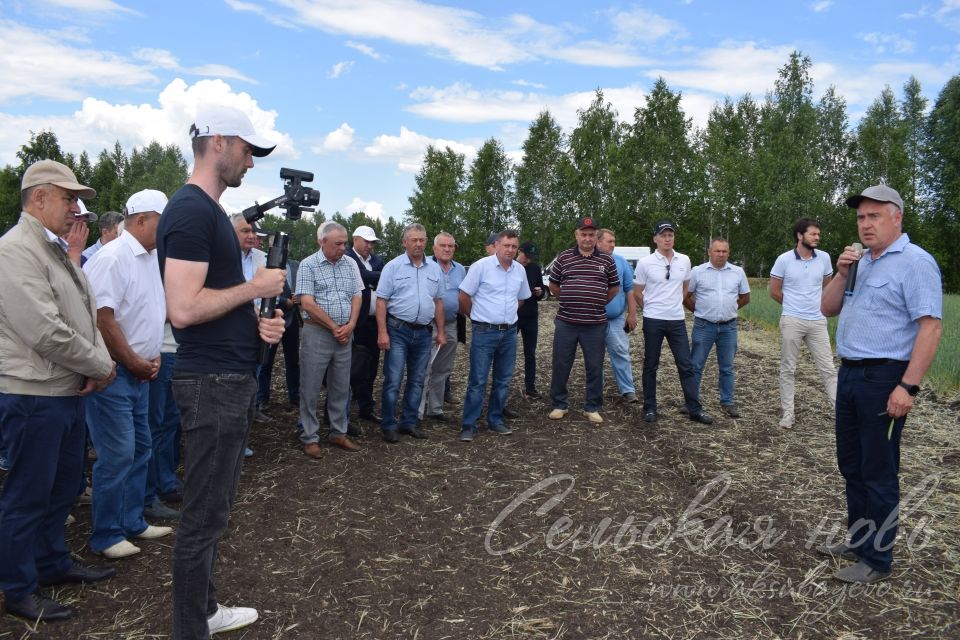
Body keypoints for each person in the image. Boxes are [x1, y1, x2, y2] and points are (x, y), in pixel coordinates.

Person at [156, 105, 286, 638]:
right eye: (248, 149)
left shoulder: (207, 213)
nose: (252, 163)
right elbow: (183, 309)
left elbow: (210, 305)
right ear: (219, 143)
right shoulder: (190, 211)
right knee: (203, 514)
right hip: (211, 383)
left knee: (214, 508)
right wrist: (254, 290)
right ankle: (192, 627)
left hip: (225, 376)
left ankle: (204, 611)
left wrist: (254, 326)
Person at [0, 160, 117, 623]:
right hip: (32, 393)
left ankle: (51, 563)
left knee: (63, 484)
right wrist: (102, 365)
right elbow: (44, 331)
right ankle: (18, 588)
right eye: (68, 198)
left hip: (62, 390)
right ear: (39, 197)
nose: (76, 207)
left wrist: (91, 364)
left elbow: (80, 316)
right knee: (28, 495)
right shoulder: (15, 251)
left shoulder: (49, 249)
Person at [818, 183, 942, 584]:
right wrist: (840, 273)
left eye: (874, 216)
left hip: (884, 376)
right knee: (851, 464)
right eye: (860, 217)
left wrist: (908, 387)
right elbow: (827, 307)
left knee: (878, 470)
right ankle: (859, 540)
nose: (865, 224)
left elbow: (930, 327)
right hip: (851, 372)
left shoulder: (915, 262)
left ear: (897, 217)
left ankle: (877, 559)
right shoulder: (862, 262)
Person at [83, 189, 174, 559]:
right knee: (117, 452)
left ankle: (131, 520)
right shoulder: (113, 257)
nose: (166, 230)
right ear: (140, 220)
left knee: (140, 447)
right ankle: (105, 534)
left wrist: (148, 360)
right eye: (161, 222)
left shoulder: (150, 256)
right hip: (114, 372)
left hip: (141, 371)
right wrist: (134, 361)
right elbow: (103, 320)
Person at [633, 220, 713, 425]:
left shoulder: (684, 260)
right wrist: (650, 308)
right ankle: (650, 408)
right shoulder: (645, 263)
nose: (667, 239)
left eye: (670, 235)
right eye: (663, 235)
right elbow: (637, 292)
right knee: (651, 364)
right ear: (655, 239)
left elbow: (685, 288)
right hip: (653, 320)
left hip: (676, 319)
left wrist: (674, 304)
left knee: (685, 365)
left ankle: (694, 408)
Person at [296, 221, 363, 457]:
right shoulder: (308, 265)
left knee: (340, 387)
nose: (343, 248)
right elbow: (307, 303)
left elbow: (357, 296)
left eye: (344, 243)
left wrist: (351, 325)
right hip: (318, 334)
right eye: (338, 243)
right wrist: (335, 327)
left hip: (345, 334)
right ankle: (309, 436)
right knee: (311, 387)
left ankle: (338, 433)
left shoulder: (349, 264)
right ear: (322, 242)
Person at [458, 230, 531, 441]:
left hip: (509, 332)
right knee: (478, 380)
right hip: (484, 331)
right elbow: (463, 296)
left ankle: (495, 419)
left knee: (503, 379)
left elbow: (522, 298)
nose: (510, 250)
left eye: (514, 247)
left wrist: (507, 314)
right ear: (496, 245)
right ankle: (469, 425)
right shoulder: (480, 267)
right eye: (506, 245)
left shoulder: (519, 270)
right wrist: (476, 316)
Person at [375, 223, 445, 443]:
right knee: (393, 380)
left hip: (424, 333)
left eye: (422, 240)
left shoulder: (434, 269)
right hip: (398, 331)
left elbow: (438, 301)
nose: (418, 244)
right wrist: (382, 332)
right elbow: (381, 301)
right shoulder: (393, 267)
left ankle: (408, 422)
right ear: (404, 242)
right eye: (413, 240)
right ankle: (388, 424)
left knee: (417, 380)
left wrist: (441, 331)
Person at [547, 216, 620, 424]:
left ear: (596, 236)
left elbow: (614, 288)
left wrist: (596, 302)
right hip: (567, 322)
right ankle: (559, 404)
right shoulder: (563, 258)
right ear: (576, 235)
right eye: (583, 234)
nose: (587, 238)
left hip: (595, 324)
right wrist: (570, 299)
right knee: (561, 364)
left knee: (595, 366)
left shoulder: (606, 260)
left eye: (591, 235)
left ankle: (592, 407)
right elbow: (553, 286)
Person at [769, 217, 837, 429]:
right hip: (792, 320)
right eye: (813, 234)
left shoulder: (824, 258)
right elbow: (774, 291)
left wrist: (817, 307)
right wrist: (792, 307)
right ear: (800, 235)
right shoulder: (784, 260)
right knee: (789, 368)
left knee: (828, 368)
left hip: (817, 321)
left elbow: (828, 287)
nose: (817, 237)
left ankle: (841, 413)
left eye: (818, 234)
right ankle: (788, 414)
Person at [684, 237, 751, 418]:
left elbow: (745, 297)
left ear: (728, 253)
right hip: (704, 326)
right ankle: (691, 402)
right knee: (696, 365)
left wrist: (732, 308)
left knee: (727, 367)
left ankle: (727, 402)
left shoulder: (737, 272)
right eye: (717, 251)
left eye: (724, 251)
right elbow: (685, 296)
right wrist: (697, 310)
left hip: (728, 328)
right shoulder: (697, 272)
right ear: (709, 252)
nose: (721, 254)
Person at [420, 231, 465, 422]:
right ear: (434, 248)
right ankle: (417, 411)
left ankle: (436, 409)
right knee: (423, 368)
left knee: (443, 369)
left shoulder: (460, 269)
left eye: (451, 246)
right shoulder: (425, 266)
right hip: (427, 325)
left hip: (450, 324)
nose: (447, 249)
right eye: (443, 246)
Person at [345, 225, 385, 423]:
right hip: (355, 322)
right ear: (356, 240)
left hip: (374, 322)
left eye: (372, 242)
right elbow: (364, 277)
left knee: (371, 366)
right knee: (351, 366)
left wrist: (370, 279)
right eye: (366, 241)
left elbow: (381, 281)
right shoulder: (347, 257)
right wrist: (371, 279)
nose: (370, 246)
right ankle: (344, 409)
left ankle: (366, 408)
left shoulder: (377, 260)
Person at [597, 228, 639, 403]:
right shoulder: (589, 262)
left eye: (614, 241)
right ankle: (596, 391)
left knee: (621, 352)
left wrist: (632, 314)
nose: (613, 245)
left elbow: (630, 289)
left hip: (615, 319)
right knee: (595, 357)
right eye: (609, 241)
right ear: (598, 242)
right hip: (593, 319)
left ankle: (627, 389)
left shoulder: (621, 262)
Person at [516, 241, 546, 398]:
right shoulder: (512, 267)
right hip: (513, 317)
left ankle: (530, 387)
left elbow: (542, 292)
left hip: (531, 317)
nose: (527, 259)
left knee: (530, 353)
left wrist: (539, 292)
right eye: (525, 256)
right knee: (507, 353)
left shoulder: (534, 268)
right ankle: (504, 385)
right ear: (519, 251)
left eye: (530, 257)